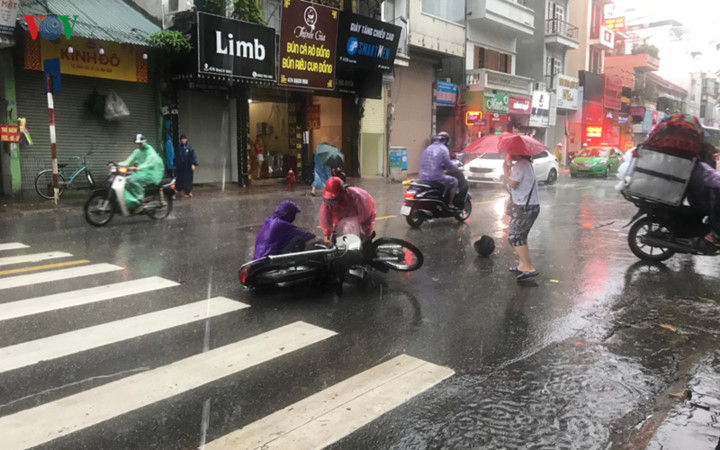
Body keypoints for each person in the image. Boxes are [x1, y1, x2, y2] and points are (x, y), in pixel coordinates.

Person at [503, 154, 540, 280]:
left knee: (514, 236)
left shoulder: (521, 164)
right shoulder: (525, 164)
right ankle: (522, 265)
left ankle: (528, 267)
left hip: (525, 208)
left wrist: (504, 171)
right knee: (521, 237)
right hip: (529, 206)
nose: (509, 153)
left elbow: (513, 184)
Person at [115, 134, 164, 214]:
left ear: (144, 142)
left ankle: (140, 202)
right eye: (138, 144)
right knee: (125, 180)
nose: (139, 145)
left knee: (133, 180)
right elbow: (128, 161)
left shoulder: (150, 151)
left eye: (140, 143)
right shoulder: (137, 151)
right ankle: (132, 203)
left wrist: (138, 168)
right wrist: (117, 165)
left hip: (151, 175)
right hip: (141, 173)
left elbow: (148, 162)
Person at [319, 177, 376, 244]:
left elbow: (366, 217)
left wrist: (366, 233)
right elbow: (325, 217)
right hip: (340, 223)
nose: (333, 202)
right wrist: (327, 234)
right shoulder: (328, 200)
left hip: (359, 222)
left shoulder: (359, 197)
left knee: (363, 244)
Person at [687, 143, 720, 246]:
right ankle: (715, 236)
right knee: (715, 214)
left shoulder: (699, 166)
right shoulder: (701, 166)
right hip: (714, 190)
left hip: (712, 190)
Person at [418, 131, 459, 209]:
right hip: (435, 176)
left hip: (422, 176)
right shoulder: (443, 149)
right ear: (446, 140)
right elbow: (448, 163)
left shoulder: (429, 148)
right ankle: (450, 204)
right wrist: (455, 168)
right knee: (454, 181)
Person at [176, 134, 198, 198]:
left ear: (186, 139)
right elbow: (177, 157)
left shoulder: (190, 148)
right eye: (182, 139)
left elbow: (193, 156)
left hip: (188, 166)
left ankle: (188, 192)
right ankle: (179, 191)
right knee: (180, 179)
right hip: (181, 167)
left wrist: (193, 164)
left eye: (184, 139)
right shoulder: (178, 148)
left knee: (189, 179)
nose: (183, 140)